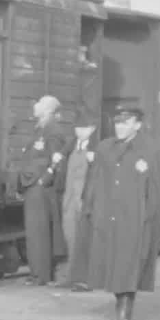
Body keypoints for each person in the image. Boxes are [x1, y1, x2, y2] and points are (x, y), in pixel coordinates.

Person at [69, 105, 160, 320]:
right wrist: (88, 209)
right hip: (106, 215)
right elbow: (93, 182)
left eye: (126, 122)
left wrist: (149, 219)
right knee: (110, 265)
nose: (121, 127)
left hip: (133, 217)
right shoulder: (105, 147)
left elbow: (156, 189)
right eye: (118, 122)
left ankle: (123, 314)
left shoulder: (149, 150)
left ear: (138, 125)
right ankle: (119, 303)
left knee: (127, 265)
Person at [18, 95, 69, 286]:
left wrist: (43, 181)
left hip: (40, 188)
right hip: (33, 185)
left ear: (48, 110)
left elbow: (57, 160)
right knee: (35, 231)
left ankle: (40, 274)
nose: (35, 105)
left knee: (38, 231)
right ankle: (38, 272)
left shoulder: (52, 131)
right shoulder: (41, 128)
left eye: (39, 103)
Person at [58, 117, 97, 291]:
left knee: (85, 238)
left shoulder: (97, 149)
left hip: (84, 200)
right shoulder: (70, 147)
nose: (80, 132)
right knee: (70, 236)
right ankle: (71, 277)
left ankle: (86, 279)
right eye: (77, 128)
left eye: (84, 128)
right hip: (69, 198)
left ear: (92, 129)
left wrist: (95, 160)